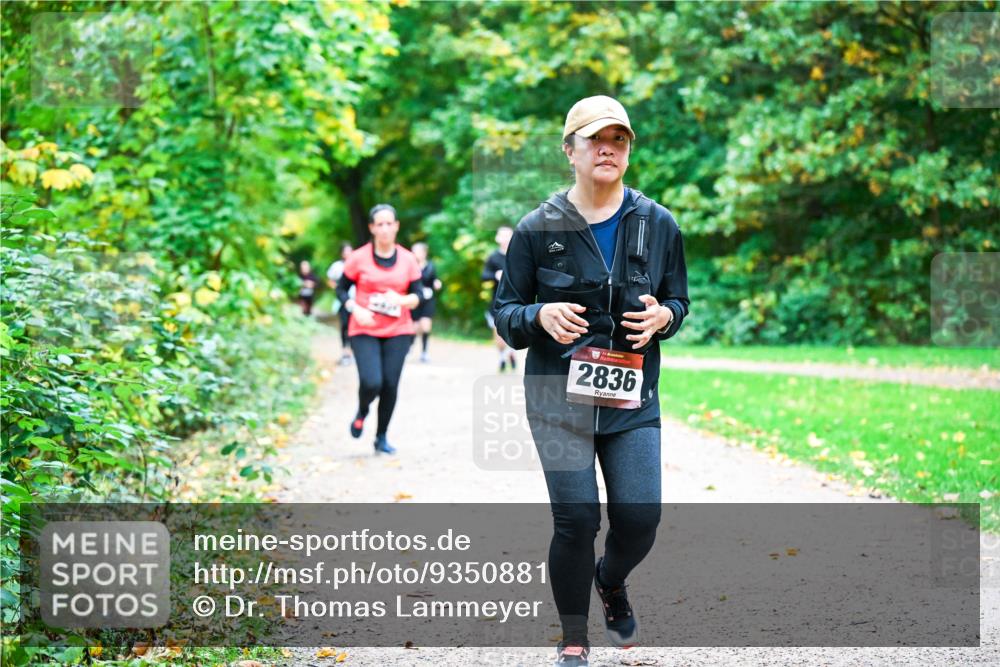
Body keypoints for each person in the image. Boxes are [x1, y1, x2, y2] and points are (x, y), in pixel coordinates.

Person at [494, 95, 689, 666]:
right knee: (577, 519)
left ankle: (611, 579)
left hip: (632, 398)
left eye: (618, 139)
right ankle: (574, 637)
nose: (608, 149)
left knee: (640, 518)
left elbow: (679, 300)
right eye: (595, 139)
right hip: (557, 400)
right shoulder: (536, 228)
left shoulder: (659, 223)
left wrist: (664, 317)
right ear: (570, 150)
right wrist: (539, 315)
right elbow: (506, 313)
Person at [335, 205, 424, 455]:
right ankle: (362, 411)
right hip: (364, 328)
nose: (384, 229)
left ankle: (381, 437)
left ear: (396, 226)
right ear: (372, 228)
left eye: (389, 224)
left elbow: (418, 295)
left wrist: (401, 300)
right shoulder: (358, 258)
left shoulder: (408, 259)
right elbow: (341, 289)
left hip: (398, 330)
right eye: (379, 224)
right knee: (372, 381)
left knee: (390, 385)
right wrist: (354, 308)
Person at [482, 226, 517, 372]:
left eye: (508, 235)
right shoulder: (493, 257)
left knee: (513, 330)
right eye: (502, 235)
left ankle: (511, 352)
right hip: (497, 299)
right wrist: (495, 275)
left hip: (516, 299)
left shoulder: (518, 255)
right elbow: (484, 276)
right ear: (497, 238)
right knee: (498, 331)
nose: (505, 239)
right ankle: (502, 358)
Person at [410, 242, 442, 363]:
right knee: (414, 326)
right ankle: (410, 347)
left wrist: (437, 283)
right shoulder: (410, 266)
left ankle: (424, 352)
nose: (415, 254)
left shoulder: (430, 266)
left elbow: (434, 279)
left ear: (424, 253)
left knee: (426, 325)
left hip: (428, 299)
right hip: (415, 299)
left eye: (417, 251)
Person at [327, 242, 355, 366]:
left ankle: (352, 352)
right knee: (344, 325)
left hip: (356, 300)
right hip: (343, 301)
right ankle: (345, 351)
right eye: (345, 251)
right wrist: (338, 290)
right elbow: (330, 280)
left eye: (349, 251)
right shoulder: (337, 266)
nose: (347, 253)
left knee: (353, 327)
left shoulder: (357, 264)